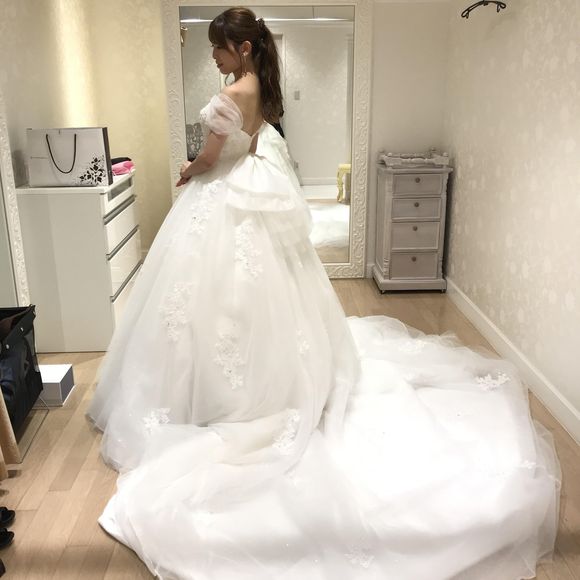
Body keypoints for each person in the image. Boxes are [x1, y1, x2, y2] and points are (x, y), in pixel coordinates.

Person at [88, 8, 560, 580]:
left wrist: (189, 169)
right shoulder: (261, 86)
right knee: (262, 296)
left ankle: (219, 398)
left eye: (217, 48)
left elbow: (211, 157)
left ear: (240, 48)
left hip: (222, 195)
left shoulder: (229, 94)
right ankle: (269, 382)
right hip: (245, 192)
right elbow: (249, 144)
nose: (212, 56)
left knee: (213, 301)